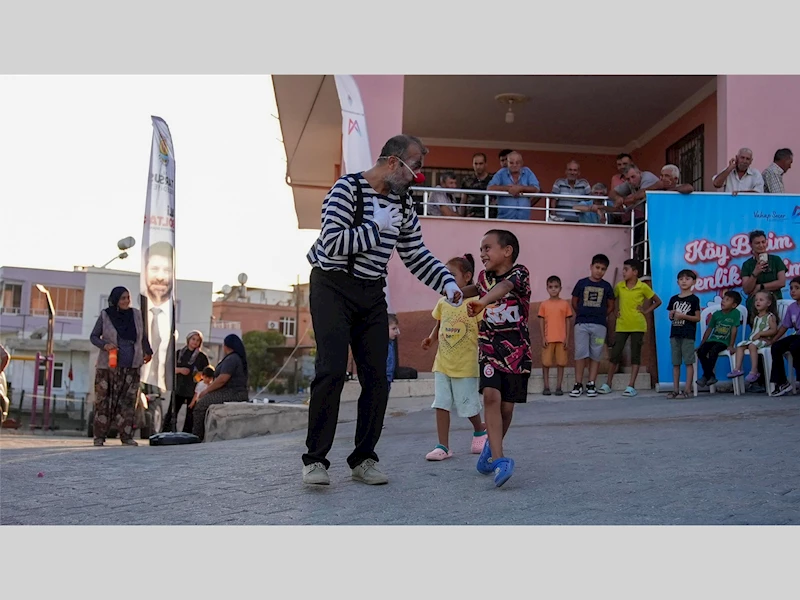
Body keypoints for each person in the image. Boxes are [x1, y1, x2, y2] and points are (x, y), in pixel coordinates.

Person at [302, 134, 462, 487]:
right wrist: (375, 228)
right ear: (393, 162)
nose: (417, 176)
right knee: (330, 371)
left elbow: (415, 253)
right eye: (415, 167)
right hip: (331, 284)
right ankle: (315, 461)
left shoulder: (404, 205)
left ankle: (363, 458)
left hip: (371, 290)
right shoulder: (347, 190)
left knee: (377, 377)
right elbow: (333, 241)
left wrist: (447, 283)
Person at [464, 229, 531, 488]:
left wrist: (482, 302)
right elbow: (476, 287)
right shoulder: (483, 277)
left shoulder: (520, 273)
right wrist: (457, 290)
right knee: (491, 397)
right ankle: (500, 459)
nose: (482, 253)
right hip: (489, 347)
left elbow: (505, 287)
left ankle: (490, 450)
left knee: (507, 408)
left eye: (487, 248)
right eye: (481, 249)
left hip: (517, 352)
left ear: (507, 251)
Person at [421, 254, 487, 461]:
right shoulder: (443, 302)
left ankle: (480, 429)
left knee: (467, 405)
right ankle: (443, 446)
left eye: (451, 275)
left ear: (467, 277)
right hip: (443, 363)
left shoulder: (476, 303)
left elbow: (482, 329)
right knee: (441, 403)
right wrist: (431, 339)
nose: (446, 280)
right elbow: (440, 322)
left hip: (465, 365)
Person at [89, 286, 153, 446]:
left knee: (129, 402)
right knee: (104, 401)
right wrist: (105, 345)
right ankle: (99, 437)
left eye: (128, 298)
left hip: (132, 366)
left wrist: (148, 351)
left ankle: (126, 436)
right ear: (116, 300)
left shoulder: (137, 315)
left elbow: (143, 336)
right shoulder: (106, 315)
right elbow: (94, 336)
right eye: (122, 298)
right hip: (108, 368)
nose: (126, 301)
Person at [603, 259, 662, 397]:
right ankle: (608, 383)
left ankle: (631, 386)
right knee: (615, 353)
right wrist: (614, 311)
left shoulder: (643, 287)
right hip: (622, 325)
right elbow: (612, 300)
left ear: (635, 272)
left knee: (635, 355)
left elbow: (658, 301)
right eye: (623, 269)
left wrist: (646, 311)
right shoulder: (619, 286)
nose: (623, 272)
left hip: (637, 325)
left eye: (626, 269)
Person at [570, 254, 615, 398]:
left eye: (603, 269)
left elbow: (611, 306)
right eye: (597, 267)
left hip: (600, 327)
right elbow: (574, 302)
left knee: (596, 354)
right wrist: (583, 314)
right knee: (580, 354)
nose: (599, 271)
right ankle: (578, 384)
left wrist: (600, 316)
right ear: (591, 267)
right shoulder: (581, 283)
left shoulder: (607, 286)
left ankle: (591, 383)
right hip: (581, 325)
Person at [191, 334, 249, 441]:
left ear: (226, 346)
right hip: (233, 392)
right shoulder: (233, 358)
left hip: (232, 393)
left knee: (201, 405)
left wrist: (206, 390)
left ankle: (197, 437)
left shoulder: (232, 359)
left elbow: (222, 379)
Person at [140, 240, 175, 392]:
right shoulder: (136, 314)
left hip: (166, 392)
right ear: (145, 270)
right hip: (137, 387)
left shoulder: (173, 320)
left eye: (166, 270)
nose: (160, 277)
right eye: (155, 269)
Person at [727, 290, 778, 385]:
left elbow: (774, 330)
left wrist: (761, 334)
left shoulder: (770, 316)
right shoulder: (756, 317)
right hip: (754, 341)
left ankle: (754, 370)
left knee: (752, 346)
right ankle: (737, 369)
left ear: (769, 303)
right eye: (756, 300)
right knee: (740, 346)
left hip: (764, 340)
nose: (758, 302)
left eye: (761, 300)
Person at [165, 330, 210, 434]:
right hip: (179, 387)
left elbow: (206, 373)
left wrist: (198, 377)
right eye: (193, 339)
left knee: (191, 415)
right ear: (188, 340)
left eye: (198, 340)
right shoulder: (179, 353)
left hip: (193, 390)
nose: (195, 342)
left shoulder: (202, 357)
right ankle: (168, 432)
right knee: (172, 412)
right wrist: (181, 370)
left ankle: (187, 434)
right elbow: (170, 368)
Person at [666, 270, 701, 399]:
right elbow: (672, 316)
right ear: (677, 282)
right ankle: (675, 389)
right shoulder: (673, 299)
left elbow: (697, 318)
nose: (684, 281)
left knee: (688, 362)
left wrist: (683, 316)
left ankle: (687, 390)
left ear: (694, 282)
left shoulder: (694, 299)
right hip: (675, 334)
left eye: (687, 279)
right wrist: (671, 315)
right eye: (681, 279)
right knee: (676, 363)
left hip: (688, 334)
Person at [695, 291, 742, 388]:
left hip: (723, 342)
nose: (723, 301)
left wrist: (731, 345)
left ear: (734, 305)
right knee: (701, 352)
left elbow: (734, 329)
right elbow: (709, 330)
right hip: (712, 339)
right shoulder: (716, 314)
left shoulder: (735, 313)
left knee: (713, 351)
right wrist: (701, 344)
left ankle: (706, 376)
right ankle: (710, 375)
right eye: (723, 299)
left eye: (727, 300)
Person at [740, 229, 787, 324]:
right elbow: (747, 290)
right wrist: (755, 273)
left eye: (763, 242)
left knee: (774, 330)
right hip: (755, 305)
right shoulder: (747, 264)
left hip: (774, 302)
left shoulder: (776, 260)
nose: (761, 245)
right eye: (757, 243)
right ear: (751, 245)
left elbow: (782, 282)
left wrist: (760, 287)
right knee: (758, 331)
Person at [537, 275, 574, 395]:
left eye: (556, 287)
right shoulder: (544, 305)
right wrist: (543, 337)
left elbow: (568, 321)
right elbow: (541, 321)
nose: (553, 289)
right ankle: (546, 386)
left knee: (561, 363)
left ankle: (559, 387)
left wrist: (567, 338)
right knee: (546, 363)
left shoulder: (564, 304)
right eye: (550, 287)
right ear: (547, 288)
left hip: (561, 339)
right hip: (548, 339)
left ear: (560, 288)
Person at [768, 277, 800, 396]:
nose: (793, 291)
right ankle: (782, 382)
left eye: (797, 288)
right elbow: (784, 326)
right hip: (798, 335)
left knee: (795, 346)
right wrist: (774, 340)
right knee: (776, 347)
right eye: (791, 288)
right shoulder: (792, 307)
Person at [387, 314, 400, 392]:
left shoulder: (391, 344)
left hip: (388, 378)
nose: (396, 332)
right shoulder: (382, 345)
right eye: (393, 329)